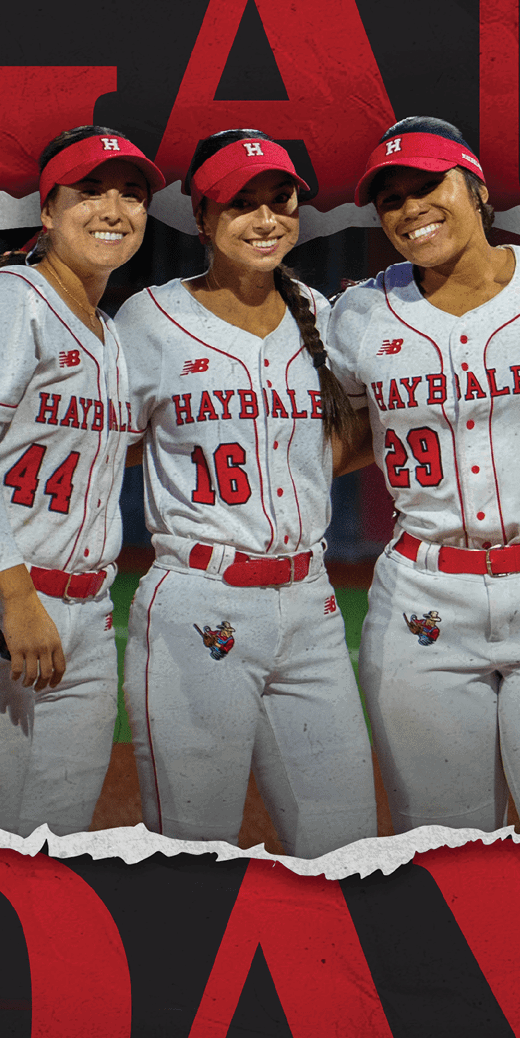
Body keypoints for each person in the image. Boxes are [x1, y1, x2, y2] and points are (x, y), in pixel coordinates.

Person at [325, 116, 520, 841]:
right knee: (438, 853)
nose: (411, 208)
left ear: (476, 189)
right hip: (423, 596)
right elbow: (339, 440)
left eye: (428, 185)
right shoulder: (359, 314)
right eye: (391, 198)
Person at [0, 124, 163, 836]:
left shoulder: (106, 332)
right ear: (47, 211)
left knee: (56, 867)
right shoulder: (12, 300)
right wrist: (17, 597)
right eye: (91, 191)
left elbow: (93, 452)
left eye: (132, 194)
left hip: (83, 620)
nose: (114, 208)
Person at [115, 129, 377, 856]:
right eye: (241, 205)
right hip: (200, 598)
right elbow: (107, 441)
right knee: (195, 852)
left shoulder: (319, 317)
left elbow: (353, 435)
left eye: (280, 200)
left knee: (348, 848)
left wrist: (303, 468)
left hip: (312, 604)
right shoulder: (150, 320)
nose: (266, 219)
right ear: (201, 220)